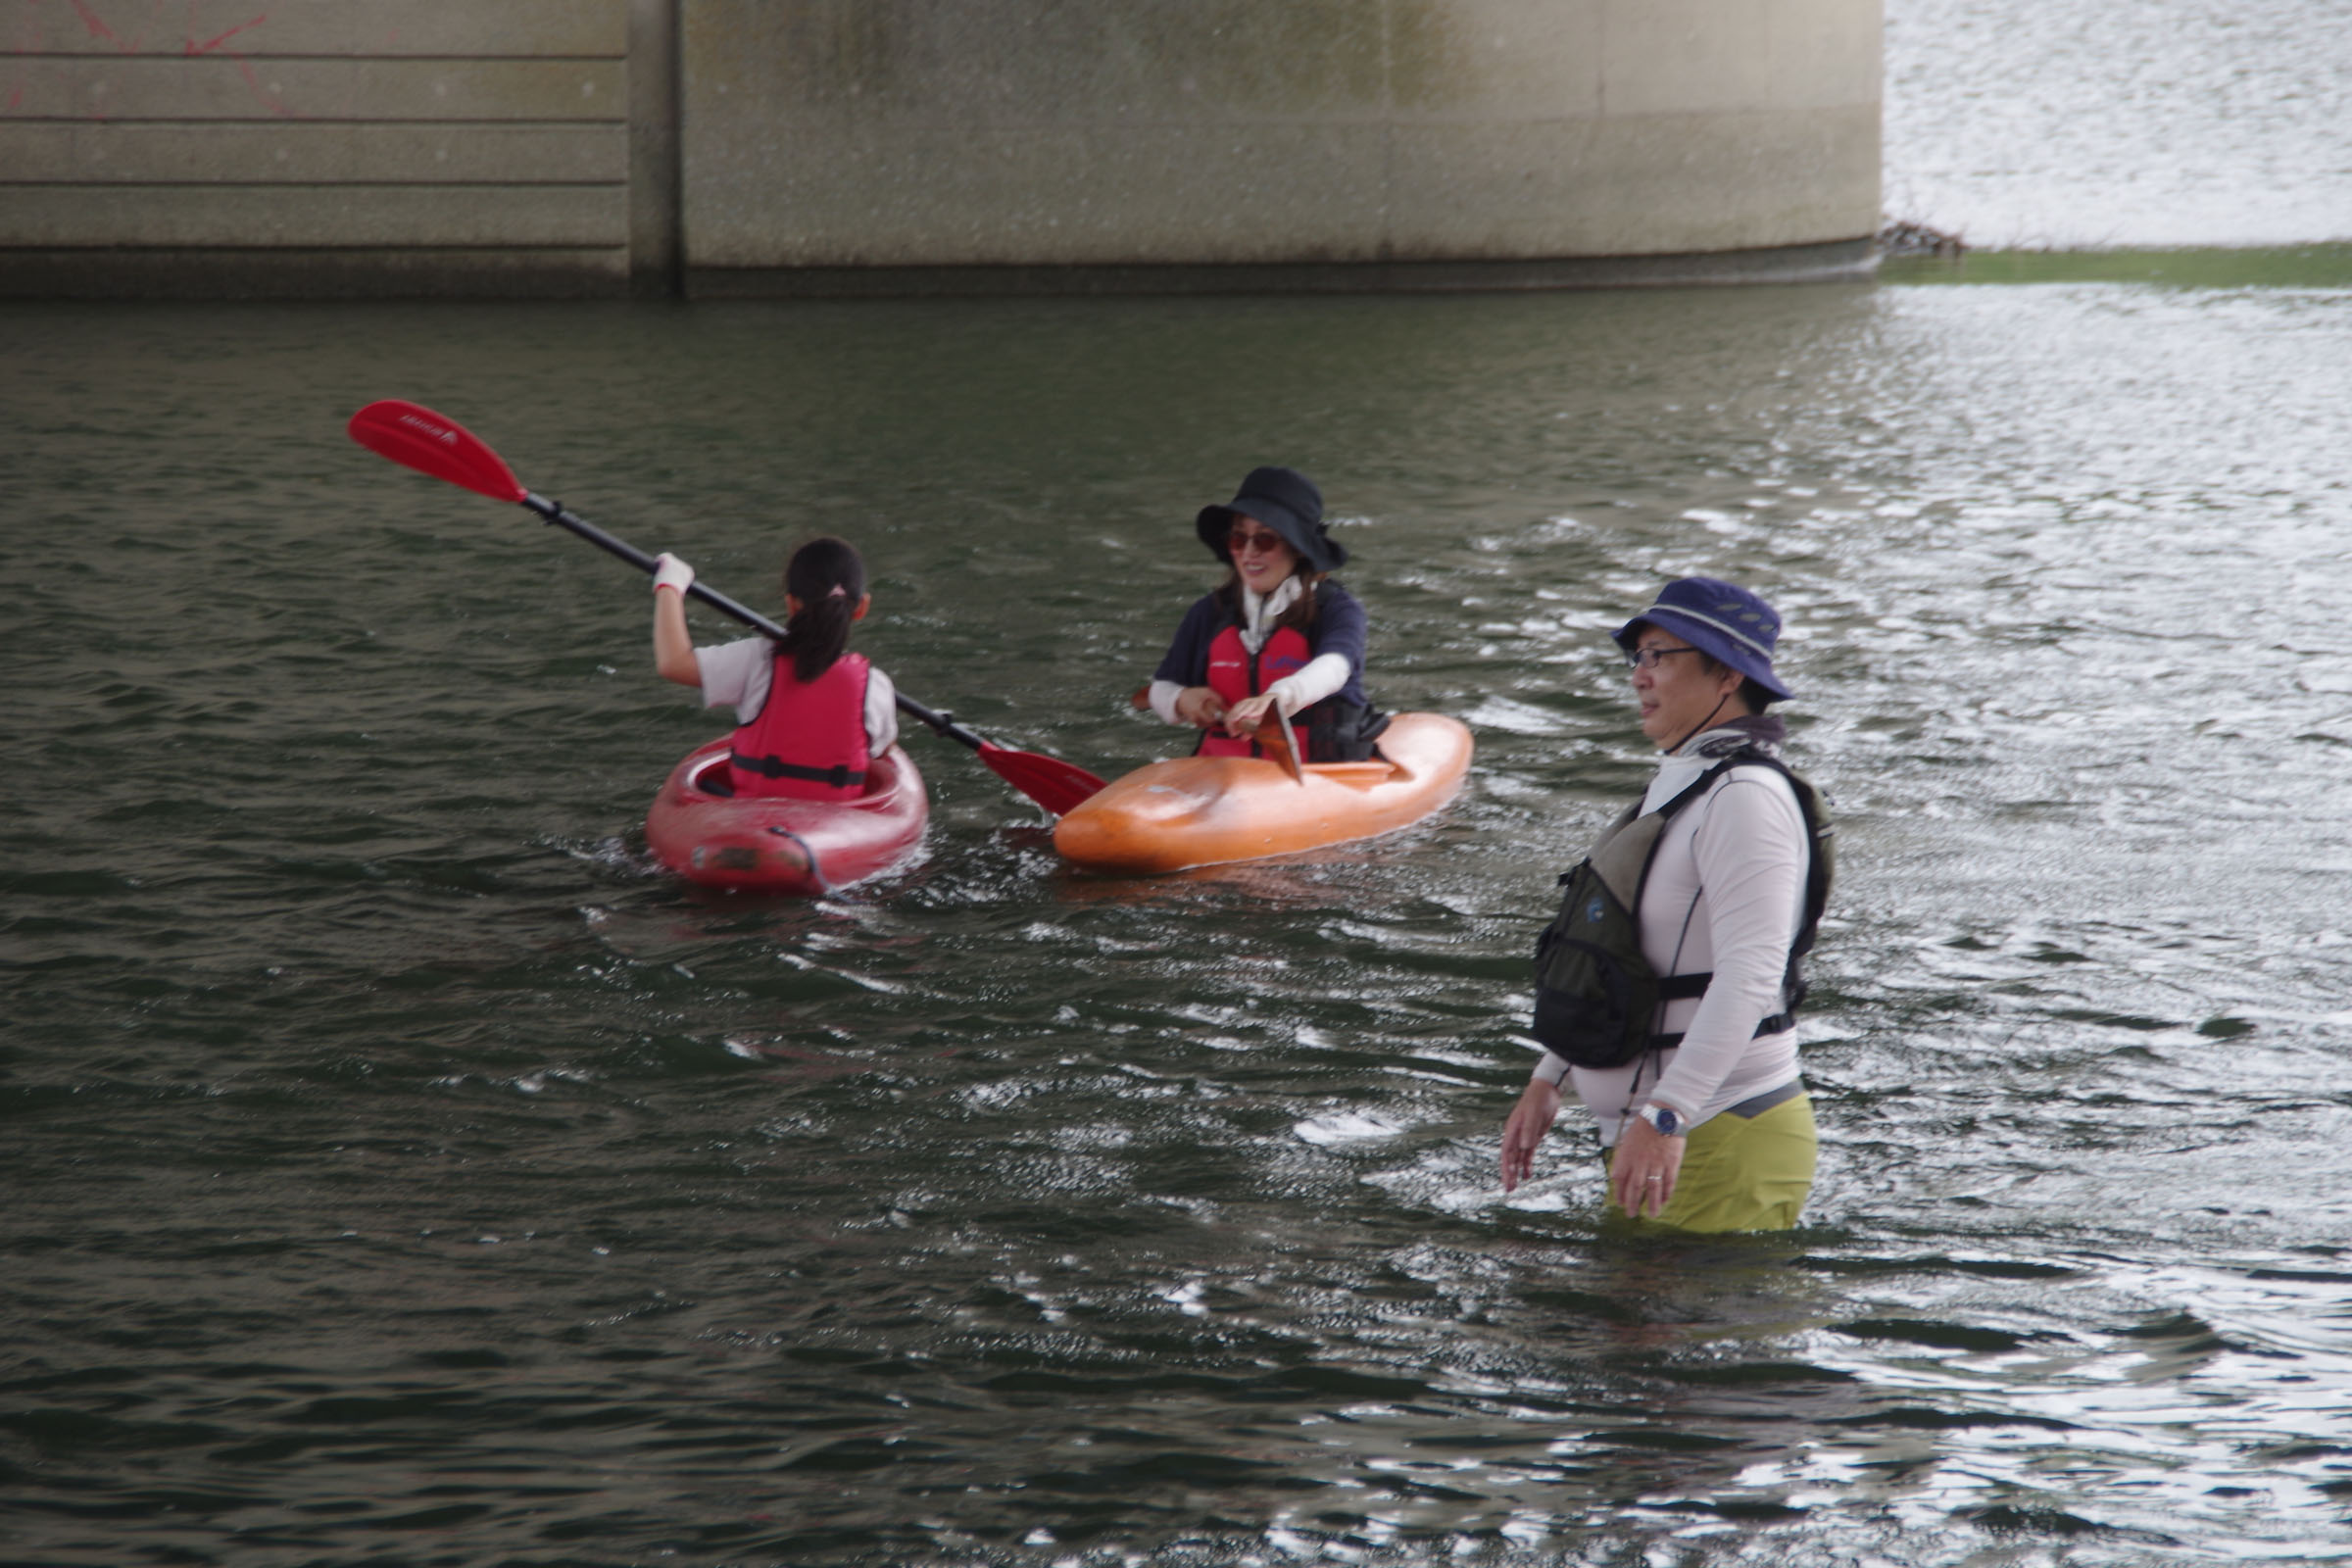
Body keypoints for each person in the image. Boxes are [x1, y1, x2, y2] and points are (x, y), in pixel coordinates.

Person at [1499, 578, 1832, 1232]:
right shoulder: (1686, 783)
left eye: (1660, 656)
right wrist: (1550, 1076)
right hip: (1656, 1138)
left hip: (1716, 1134)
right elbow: (1620, 956)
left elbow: (1751, 976)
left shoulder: (1745, 799)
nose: (1639, 677)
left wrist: (1668, 1111)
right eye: (1637, 658)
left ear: (1728, 676)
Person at [1147, 466, 1387, 762]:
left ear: (1297, 549)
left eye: (1264, 540)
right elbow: (1160, 688)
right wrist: (1180, 699)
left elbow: (1334, 668)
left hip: (1320, 772)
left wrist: (1277, 699)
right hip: (1222, 772)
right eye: (1238, 539)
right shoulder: (1208, 612)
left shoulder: (1338, 609)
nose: (1248, 553)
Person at [649, 536, 898, 800]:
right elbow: (882, 752)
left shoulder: (757, 661)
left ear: (790, 604)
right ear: (862, 608)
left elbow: (673, 663)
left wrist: (670, 586)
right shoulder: (875, 685)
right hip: (839, 831)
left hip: (753, 820)